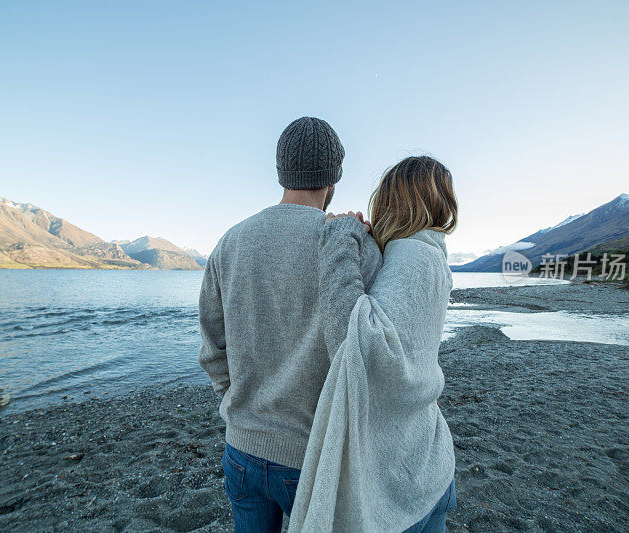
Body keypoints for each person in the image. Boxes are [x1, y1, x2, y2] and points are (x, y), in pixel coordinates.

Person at [197, 117, 382, 532]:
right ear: (333, 179)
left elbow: (212, 348)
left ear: (281, 172)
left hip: (240, 448)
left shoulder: (230, 242)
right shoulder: (352, 247)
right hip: (313, 459)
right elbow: (367, 352)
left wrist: (237, 406)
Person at [288, 156, 459, 533]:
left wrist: (339, 239)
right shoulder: (431, 252)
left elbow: (356, 343)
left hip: (401, 482)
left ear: (392, 200)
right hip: (425, 460)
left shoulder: (412, 256)